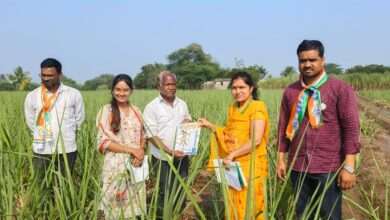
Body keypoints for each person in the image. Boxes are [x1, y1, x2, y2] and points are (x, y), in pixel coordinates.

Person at [276, 40, 360, 219]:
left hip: (328, 166)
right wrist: (281, 159)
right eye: (302, 60)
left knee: (330, 215)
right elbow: (283, 126)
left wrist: (349, 168)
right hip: (298, 166)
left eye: (312, 60)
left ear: (323, 60)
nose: (307, 65)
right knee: (303, 214)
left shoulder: (340, 89)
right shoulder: (291, 91)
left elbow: (351, 128)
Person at [198, 71, 270, 219]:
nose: (238, 91)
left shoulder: (257, 107)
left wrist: (232, 154)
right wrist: (210, 126)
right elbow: (228, 135)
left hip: (251, 166)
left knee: (250, 206)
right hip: (234, 167)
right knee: (233, 204)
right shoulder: (233, 108)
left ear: (251, 89)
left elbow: (256, 139)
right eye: (234, 88)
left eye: (242, 87)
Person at [24, 58, 84, 184]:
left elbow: (79, 119)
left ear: (60, 75)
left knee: (64, 187)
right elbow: (30, 121)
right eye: (43, 75)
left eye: (50, 75)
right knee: (41, 186)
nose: (46, 78)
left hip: (67, 149)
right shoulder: (32, 96)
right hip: (41, 149)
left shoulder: (73, 94)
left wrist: (67, 134)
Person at [96, 74, 147, 218]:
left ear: (131, 91)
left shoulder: (137, 110)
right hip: (115, 165)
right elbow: (103, 142)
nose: (121, 93)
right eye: (118, 89)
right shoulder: (106, 111)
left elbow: (143, 135)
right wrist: (132, 150)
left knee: (135, 207)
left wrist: (140, 152)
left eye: (125, 90)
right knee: (116, 209)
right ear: (112, 90)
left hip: (136, 163)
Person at [143, 71, 191, 217]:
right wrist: (170, 152)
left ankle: (179, 215)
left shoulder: (182, 104)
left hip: (182, 155)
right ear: (159, 86)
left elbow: (188, 121)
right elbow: (152, 136)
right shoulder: (152, 107)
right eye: (167, 84)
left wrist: (187, 122)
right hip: (162, 158)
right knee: (164, 190)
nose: (171, 87)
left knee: (181, 189)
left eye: (173, 84)